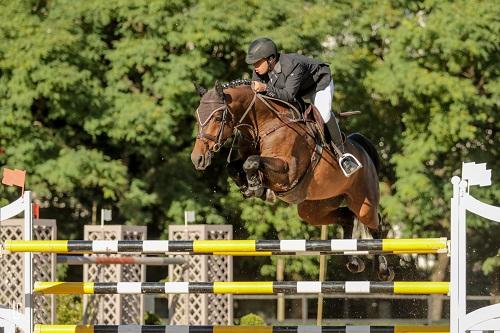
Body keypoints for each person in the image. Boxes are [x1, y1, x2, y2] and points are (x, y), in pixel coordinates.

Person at [245, 37, 362, 177]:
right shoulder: (259, 71)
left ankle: (343, 156)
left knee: (323, 114)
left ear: (270, 59)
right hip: (295, 89)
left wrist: (264, 87)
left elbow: (288, 95)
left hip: (318, 85)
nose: (255, 67)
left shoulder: (293, 65)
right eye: (253, 63)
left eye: (257, 62)